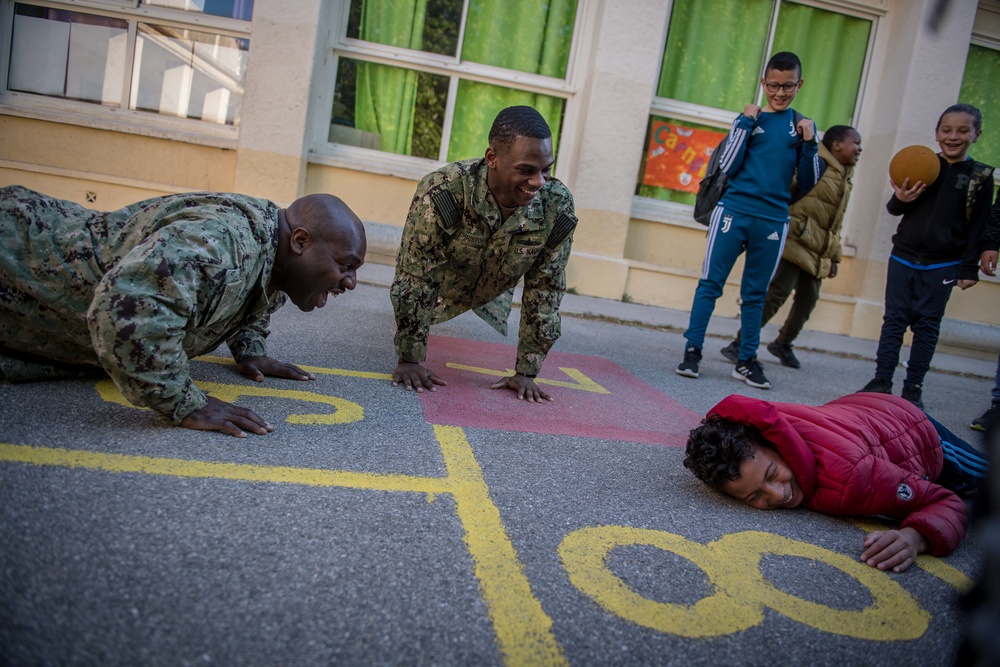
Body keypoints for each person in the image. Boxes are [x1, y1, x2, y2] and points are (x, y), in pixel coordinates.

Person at [0, 186, 367, 437]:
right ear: (301, 241)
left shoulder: (272, 249)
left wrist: (251, 349)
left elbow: (254, 291)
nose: (350, 282)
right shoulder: (220, 243)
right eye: (346, 265)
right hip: (17, 253)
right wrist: (185, 403)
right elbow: (123, 308)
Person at [390, 105, 577, 402]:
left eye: (546, 169)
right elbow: (416, 275)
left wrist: (526, 372)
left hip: (495, 286)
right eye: (526, 170)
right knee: (413, 297)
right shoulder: (444, 190)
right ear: (492, 158)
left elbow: (546, 289)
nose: (539, 182)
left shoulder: (557, 205)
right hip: (444, 283)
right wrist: (409, 358)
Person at [684, 392, 987, 573]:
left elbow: (946, 501)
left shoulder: (851, 478)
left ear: (779, 443)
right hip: (862, 410)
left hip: (917, 430)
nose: (778, 494)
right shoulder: (752, 427)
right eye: (754, 497)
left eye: (772, 474)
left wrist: (915, 536)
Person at [676, 52, 819, 390]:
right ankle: (692, 351)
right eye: (773, 85)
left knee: (755, 295)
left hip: (772, 220)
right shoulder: (750, 119)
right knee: (710, 284)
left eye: (787, 86)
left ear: (799, 85)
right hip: (733, 212)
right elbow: (727, 163)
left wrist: (811, 142)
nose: (780, 93)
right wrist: (744, 123)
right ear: (763, 83)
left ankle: (745, 360)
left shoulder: (800, 125)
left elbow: (811, 180)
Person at [859, 104, 994, 409]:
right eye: (946, 130)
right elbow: (895, 209)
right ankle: (881, 380)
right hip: (903, 257)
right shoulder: (920, 164)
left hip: (943, 264)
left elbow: (979, 225)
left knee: (927, 326)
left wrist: (968, 267)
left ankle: (913, 388)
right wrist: (900, 198)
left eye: (963, 130)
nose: (953, 136)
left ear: (976, 134)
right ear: (936, 133)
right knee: (893, 321)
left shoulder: (979, 176)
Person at [721, 126, 862, 370]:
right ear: (837, 145)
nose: (859, 148)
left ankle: (783, 343)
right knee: (776, 295)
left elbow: (835, 223)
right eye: (855, 142)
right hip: (793, 241)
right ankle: (739, 344)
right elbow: (783, 191)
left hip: (818, 251)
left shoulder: (845, 177)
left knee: (809, 299)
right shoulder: (816, 163)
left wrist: (835, 256)